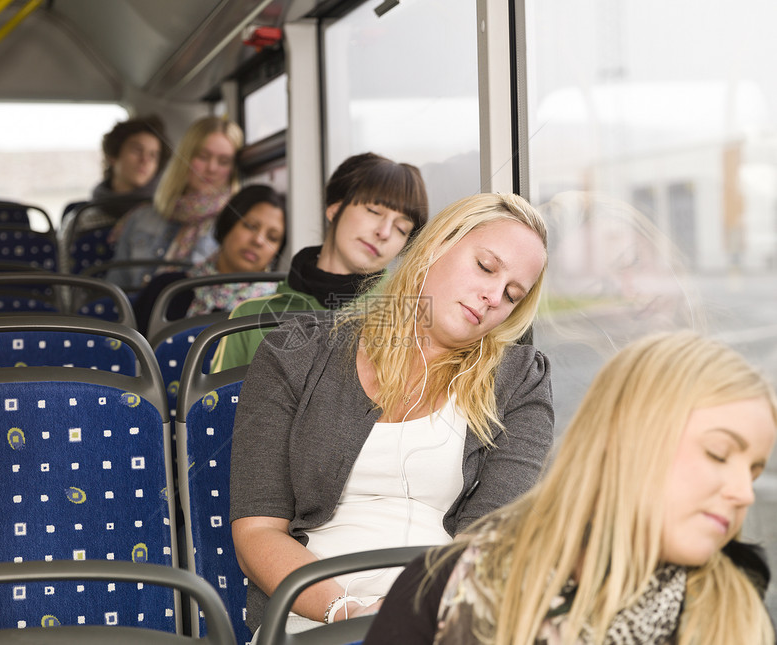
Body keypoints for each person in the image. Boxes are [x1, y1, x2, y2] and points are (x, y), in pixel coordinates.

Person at [230, 192, 554, 637]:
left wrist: (415, 614)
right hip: (313, 609)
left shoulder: (520, 379)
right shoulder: (296, 354)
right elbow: (258, 532)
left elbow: (488, 541)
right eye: (485, 267)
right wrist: (348, 610)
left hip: (445, 611)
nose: (493, 296)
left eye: (513, 295)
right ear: (438, 244)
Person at [364, 330, 777, 645]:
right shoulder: (441, 589)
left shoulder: (738, 617)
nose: (744, 493)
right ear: (625, 441)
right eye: (719, 454)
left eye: (754, 471)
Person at [209, 151, 429, 372]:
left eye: (401, 229)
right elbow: (218, 405)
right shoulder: (250, 316)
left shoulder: (405, 321)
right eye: (373, 211)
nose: (384, 232)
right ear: (335, 208)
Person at [106, 115, 244, 290]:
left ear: (233, 170)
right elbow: (115, 290)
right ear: (184, 158)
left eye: (223, 161)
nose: (211, 168)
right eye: (202, 156)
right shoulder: (141, 218)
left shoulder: (237, 225)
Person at [131, 184, 288, 333]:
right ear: (228, 224)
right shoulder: (166, 291)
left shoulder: (281, 311)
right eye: (250, 226)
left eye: (272, 237)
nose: (258, 241)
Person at [92, 114, 170, 200]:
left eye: (153, 155)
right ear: (113, 156)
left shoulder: (164, 208)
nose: (145, 160)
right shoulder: (86, 211)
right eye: (137, 150)